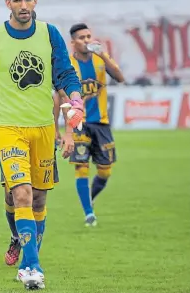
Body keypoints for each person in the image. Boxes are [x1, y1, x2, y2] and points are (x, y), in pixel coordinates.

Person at [0, 0, 83, 290]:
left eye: (28, 0)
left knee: (37, 199)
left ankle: (22, 243)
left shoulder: (50, 34)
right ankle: (31, 266)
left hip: (44, 128)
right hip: (8, 129)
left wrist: (74, 98)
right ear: (8, 4)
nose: (24, 6)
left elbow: (65, 73)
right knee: (20, 192)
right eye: (17, 1)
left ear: (35, 2)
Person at [0, 90, 75, 267]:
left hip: (42, 133)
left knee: (38, 200)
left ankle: (29, 264)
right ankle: (16, 237)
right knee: (13, 196)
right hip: (11, 133)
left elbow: (59, 96)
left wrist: (65, 131)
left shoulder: (49, 65)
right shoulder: (3, 71)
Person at [68, 23, 125, 227]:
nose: (86, 40)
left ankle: (89, 199)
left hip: (101, 123)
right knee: (81, 168)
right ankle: (88, 212)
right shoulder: (68, 65)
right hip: (79, 123)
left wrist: (104, 56)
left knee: (105, 171)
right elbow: (59, 94)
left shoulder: (100, 61)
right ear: (73, 42)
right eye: (81, 37)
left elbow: (120, 77)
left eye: (89, 36)